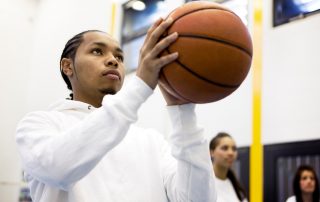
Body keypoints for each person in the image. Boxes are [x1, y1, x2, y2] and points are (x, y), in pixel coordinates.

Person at [15, 17, 217, 202]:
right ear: (68, 66)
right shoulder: (38, 124)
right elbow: (59, 168)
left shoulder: (152, 141)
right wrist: (140, 86)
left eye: (119, 57)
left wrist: (183, 112)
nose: (113, 60)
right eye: (97, 51)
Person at [209, 132, 247, 202]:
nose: (231, 153)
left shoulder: (236, 185)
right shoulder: (206, 184)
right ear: (211, 152)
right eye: (225, 148)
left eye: (234, 149)